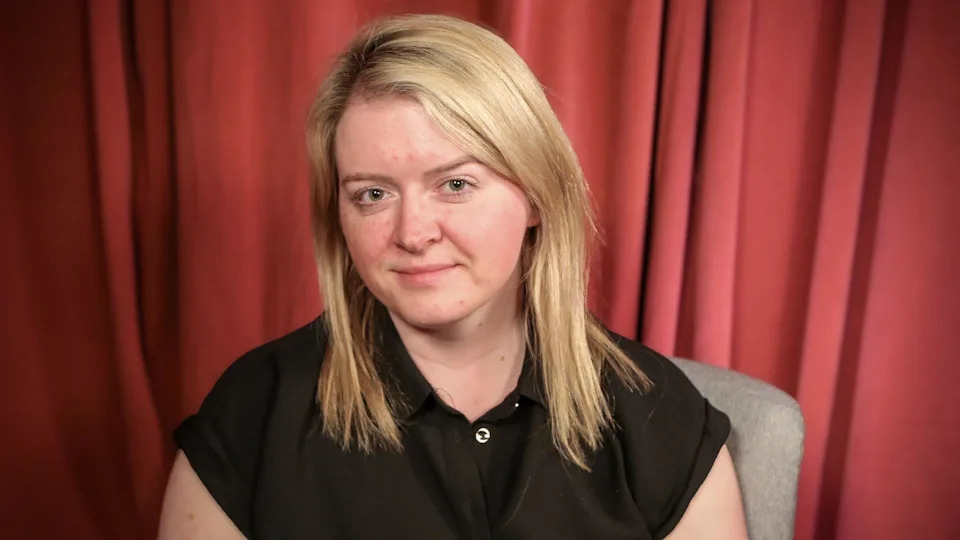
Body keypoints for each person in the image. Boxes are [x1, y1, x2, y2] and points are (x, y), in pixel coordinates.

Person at [158, 14, 747, 540]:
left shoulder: (657, 414)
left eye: (456, 184)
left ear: (537, 194)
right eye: (372, 194)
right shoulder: (255, 412)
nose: (412, 233)